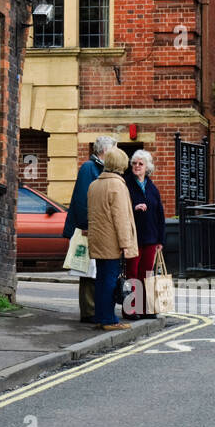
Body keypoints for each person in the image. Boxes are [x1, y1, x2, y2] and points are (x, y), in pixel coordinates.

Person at [63, 135, 117, 322]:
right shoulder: (89, 167)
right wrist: (86, 225)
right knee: (87, 271)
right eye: (113, 149)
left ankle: (94, 310)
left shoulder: (102, 168)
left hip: (97, 228)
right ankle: (89, 312)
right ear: (104, 150)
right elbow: (82, 200)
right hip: (87, 228)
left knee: (94, 270)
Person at [86, 146, 139, 330]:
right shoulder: (117, 185)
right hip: (112, 242)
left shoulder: (95, 184)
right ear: (120, 164)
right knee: (110, 280)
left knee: (101, 280)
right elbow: (121, 218)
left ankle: (100, 317)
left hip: (98, 239)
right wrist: (126, 243)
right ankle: (109, 320)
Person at [123, 149, 167, 316]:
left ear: (147, 167)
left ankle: (146, 307)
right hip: (133, 238)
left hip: (151, 238)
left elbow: (160, 215)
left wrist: (160, 240)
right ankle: (130, 308)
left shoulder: (152, 187)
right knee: (132, 273)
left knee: (147, 274)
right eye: (134, 163)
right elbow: (122, 210)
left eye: (140, 164)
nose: (137, 166)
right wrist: (134, 208)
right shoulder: (126, 184)